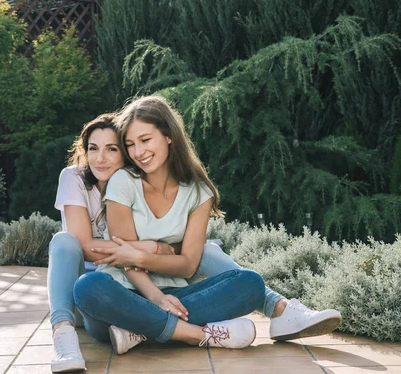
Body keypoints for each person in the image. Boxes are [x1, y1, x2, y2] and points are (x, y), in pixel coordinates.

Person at [73, 96, 341, 355]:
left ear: (168, 135)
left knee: (250, 283)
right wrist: (155, 297)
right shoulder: (123, 181)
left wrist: (143, 256)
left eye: (145, 140)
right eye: (130, 144)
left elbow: (188, 264)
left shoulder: (199, 192)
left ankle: (139, 331)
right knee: (88, 287)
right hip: (120, 294)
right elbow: (124, 258)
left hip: (177, 294)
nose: (138, 152)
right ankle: (198, 335)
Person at [48, 114, 178, 372]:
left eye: (111, 149)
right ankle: (63, 337)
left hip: (128, 286)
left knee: (207, 252)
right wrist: (151, 248)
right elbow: (85, 245)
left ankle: (270, 304)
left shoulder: (138, 184)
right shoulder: (72, 178)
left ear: (125, 154)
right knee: (63, 242)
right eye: (93, 149)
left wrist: (143, 252)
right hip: (82, 290)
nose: (99, 158)